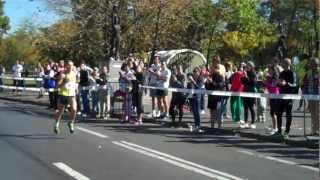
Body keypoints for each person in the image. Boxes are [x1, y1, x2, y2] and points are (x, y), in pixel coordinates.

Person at [274, 58, 297, 139]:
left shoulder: (292, 73)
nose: (282, 65)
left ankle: (287, 132)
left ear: (288, 64)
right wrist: (278, 83)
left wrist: (286, 83)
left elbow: (294, 85)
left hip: (289, 97)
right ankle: (279, 131)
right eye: (282, 63)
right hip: (281, 96)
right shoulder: (282, 73)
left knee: (288, 114)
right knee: (278, 113)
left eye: (284, 63)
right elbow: (278, 84)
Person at [54, 60, 78, 134]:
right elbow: (57, 86)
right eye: (69, 65)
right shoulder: (63, 75)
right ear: (66, 66)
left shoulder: (74, 74)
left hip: (72, 95)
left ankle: (71, 123)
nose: (70, 67)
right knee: (61, 111)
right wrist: (64, 82)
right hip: (63, 94)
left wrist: (76, 89)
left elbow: (75, 82)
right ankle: (57, 123)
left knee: (74, 109)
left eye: (72, 65)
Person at [302, 57, 320, 136]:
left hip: (318, 96)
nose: (313, 65)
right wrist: (305, 94)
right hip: (310, 95)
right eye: (312, 64)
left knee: (318, 113)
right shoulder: (308, 72)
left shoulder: (319, 72)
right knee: (313, 113)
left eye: (315, 64)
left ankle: (318, 130)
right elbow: (304, 83)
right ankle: (314, 130)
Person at [206, 62, 225, 129]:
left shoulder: (220, 76)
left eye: (214, 68)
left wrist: (212, 82)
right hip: (211, 97)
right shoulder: (211, 76)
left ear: (217, 69)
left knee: (218, 112)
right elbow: (207, 88)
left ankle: (219, 126)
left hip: (218, 98)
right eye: (212, 68)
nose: (212, 70)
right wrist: (207, 83)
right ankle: (212, 126)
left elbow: (221, 85)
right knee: (212, 112)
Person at [188, 67, 204, 133]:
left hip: (198, 97)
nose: (195, 73)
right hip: (192, 97)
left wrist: (193, 81)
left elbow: (198, 88)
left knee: (197, 112)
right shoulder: (192, 78)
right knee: (194, 112)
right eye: (194, 71)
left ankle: (199, 126)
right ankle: (196, 125)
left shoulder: (201, 78)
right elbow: (189, 87)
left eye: (196, 71)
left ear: (199, 72)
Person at [241, 61, 258, 129]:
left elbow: (253, 83)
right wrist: (244, 77)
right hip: (245, 91)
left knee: (251, 108)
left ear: (252, 67)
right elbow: (243, 82)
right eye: (247, 66)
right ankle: (246, 123)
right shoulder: (245, 73)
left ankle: (253, 123)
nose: (247, 67)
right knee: (245, 108)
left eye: (248, 66)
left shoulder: (253, 73)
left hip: (251, 92)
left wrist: (246, 77)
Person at [264, 65, 280, 134]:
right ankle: (274, 127)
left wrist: (266, 83)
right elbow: (268, 87)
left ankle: (275, 128)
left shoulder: (276, 78)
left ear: (273, 70)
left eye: (270, 70)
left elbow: (273, 86)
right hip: (271, 96)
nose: (268, 71)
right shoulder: (269, 78)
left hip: (275, 96)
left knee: (273, 113)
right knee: (272, 113)